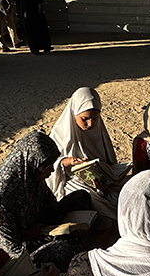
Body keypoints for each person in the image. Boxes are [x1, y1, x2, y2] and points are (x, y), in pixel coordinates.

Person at [0, 131, 92, 271]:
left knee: (81, 197)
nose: (52, 170)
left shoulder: (30, 173)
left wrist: (57, 228)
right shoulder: (2, 194)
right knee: (64, 249)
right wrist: (46, 238)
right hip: (24, 250)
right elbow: (14, 251)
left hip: (41, 227)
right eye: (47, 166)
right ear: (33, 163)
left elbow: (51, 204)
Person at [46, 86, 124, 218]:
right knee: (95, 202)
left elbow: (109, 162)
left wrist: (106, 179)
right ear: (74, 113)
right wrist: (67, 161)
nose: (90, 124)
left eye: (95, 119)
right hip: (72, 183)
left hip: (102, 186)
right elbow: (48, 169)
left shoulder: (99, 131)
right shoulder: (60, 134)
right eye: (84, 119)